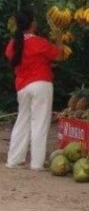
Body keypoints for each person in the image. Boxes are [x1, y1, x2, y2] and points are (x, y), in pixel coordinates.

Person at [4, 9, 64, 171]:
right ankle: (37, 163)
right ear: (31, 24)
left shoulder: (13, 44)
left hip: (22, 87)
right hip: (41, 84)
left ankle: (14, 160)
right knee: (40, 123)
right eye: (35, 20)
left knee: (22, 121)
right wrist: (59, 41)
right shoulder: (39, 42)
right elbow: (59, 56)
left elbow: (16, 58)